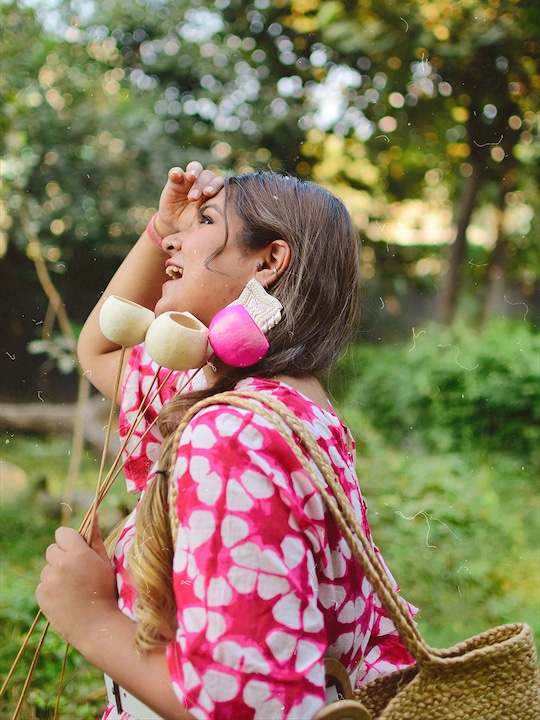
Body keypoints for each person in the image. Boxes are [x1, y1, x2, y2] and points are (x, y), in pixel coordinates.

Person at [36, 162, 416, 720]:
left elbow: (243, 709)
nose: (173, 237)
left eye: (203, 221)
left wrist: (90, 617)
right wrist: (158, 225)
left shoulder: (236, 434)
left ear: (270, 261)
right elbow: (101, 351)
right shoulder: (276, 404)